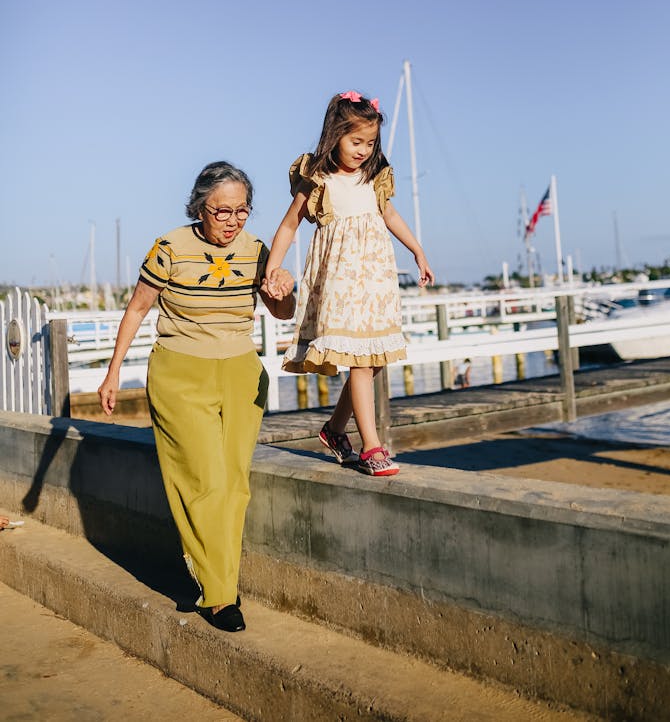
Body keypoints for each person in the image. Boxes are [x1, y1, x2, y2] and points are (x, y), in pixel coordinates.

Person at [97, 162, 295, 633]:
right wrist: (112, 372)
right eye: (221, 211)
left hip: (242, 374)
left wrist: (285, 290)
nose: (232, 221)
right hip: (180, 372)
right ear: (199, 207)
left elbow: (282, 311)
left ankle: (218, 579)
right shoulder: (170, 248)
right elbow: (139, 308)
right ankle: (219, 594)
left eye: (241, 210)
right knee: (203, 481)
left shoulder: (257, 251)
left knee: (233, 485)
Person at [265, 91, 434, 476]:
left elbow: (390, 216)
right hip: (340, 278)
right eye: (356, 141)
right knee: (361, 360)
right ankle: (371, 446)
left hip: (374, 279)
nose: (363, 150)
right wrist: (273, 269)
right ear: (334, 135)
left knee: (372, 360)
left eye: (370, 143)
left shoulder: (374, 177)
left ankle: (334, 430)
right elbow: (290, 225)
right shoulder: (318, 179)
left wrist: (418, 252)